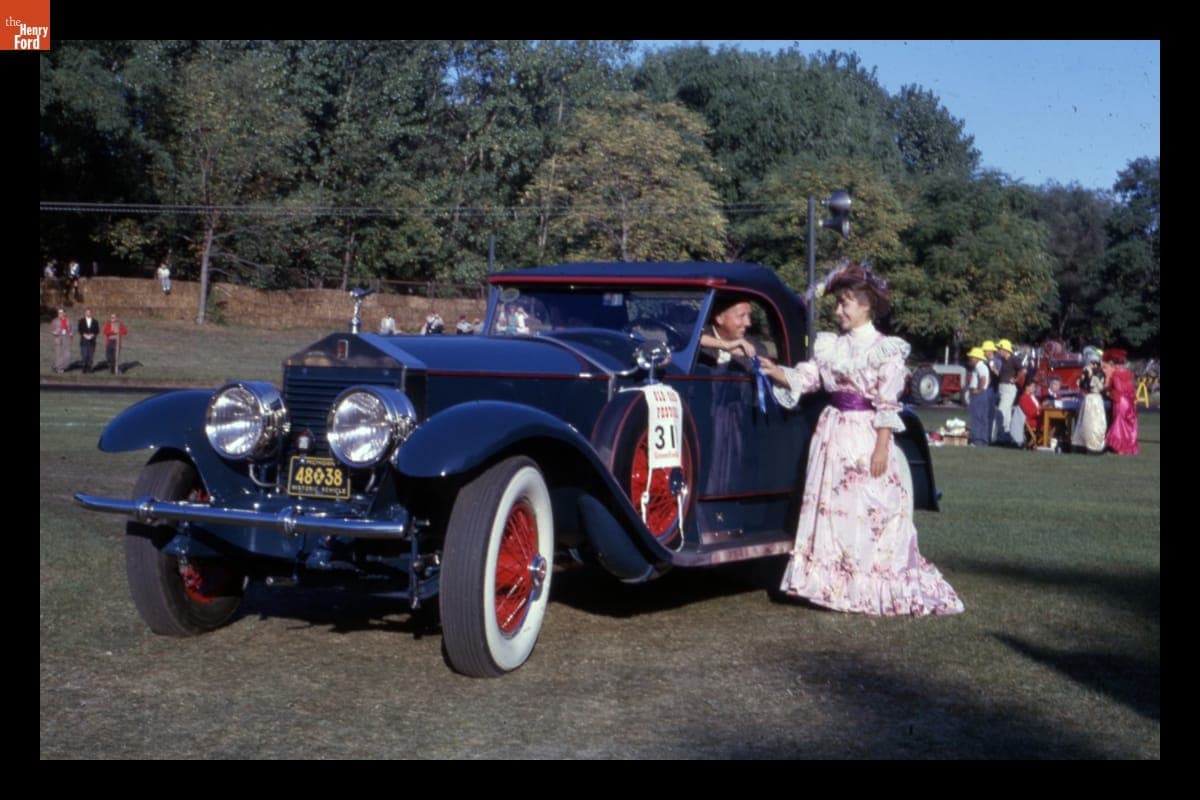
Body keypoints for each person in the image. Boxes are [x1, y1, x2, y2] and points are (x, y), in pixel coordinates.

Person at [760, 263, 963, 616]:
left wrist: (882, 447)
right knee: (834, 508)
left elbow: (887, 402)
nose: (839, 310)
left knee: (869, 505)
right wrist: (774, 371)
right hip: (832, 434)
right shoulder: (831, 346)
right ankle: (832, 585)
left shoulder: (886, 349)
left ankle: (867, 582)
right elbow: (810, 378)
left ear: (866, 305)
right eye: (837, 303)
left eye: (845, 303)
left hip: (864, 433)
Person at [1102, 348, 1139, 455]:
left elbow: (1115, 389)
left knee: (1119, 423)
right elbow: (1131, 389)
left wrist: (1108, 391)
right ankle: (1127, 446)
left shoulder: (1114, 374)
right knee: (1128, 424)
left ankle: (1119, 447)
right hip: (1129, 402)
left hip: (1120, 401)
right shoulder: (1128, 373)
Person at [1071, 347, 1107, 454]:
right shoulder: (1086, 372)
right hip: (1088, 399)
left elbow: (1097, 387)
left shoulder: (1099, 374)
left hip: (1095, 400)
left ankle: (1094, 446)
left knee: (1094, 424)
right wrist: (1083, 378)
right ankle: (1080, 445)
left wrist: (1091, 375)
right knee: (1085, 423)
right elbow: (1083, 386)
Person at [994, 338, 1019, 444]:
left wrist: (1016, 379)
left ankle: (1000, 436)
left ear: (1005, 349)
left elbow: (1023, 370)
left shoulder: (1014, 359)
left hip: (1009, 388)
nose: (998, 350)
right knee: (1007, 414)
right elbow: (1001, 375)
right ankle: (1006, 437)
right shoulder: (1003, 361)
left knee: (1001, 412)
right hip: (1002, 388)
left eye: (1000, 348)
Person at [965, 346, 991, 446]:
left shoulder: (980, 367)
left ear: (976, 358)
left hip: (979, 394)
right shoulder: (981, 367)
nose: (970, 359)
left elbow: (983, 379)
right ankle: (983, 440)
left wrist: (979, 389)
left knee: (977, 417)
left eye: (972, 357)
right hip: (982, 393)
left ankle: (977, 440)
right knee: (982, 417)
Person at [1017, 374, 1044, 445]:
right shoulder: (1024, 398)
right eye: (1032, 387)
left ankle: (1045, 441)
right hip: (1031, 421)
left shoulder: (1032, 397)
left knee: (1057, 422)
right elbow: (1029, 413)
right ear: (1027, 387)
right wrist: (1040, 409)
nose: (1034, 388)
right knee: (1053, 422)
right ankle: (1043, 442)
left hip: (1038, 418)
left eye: (1034, 387)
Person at [50, 307, 73, 373]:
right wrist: (55, 332)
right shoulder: (55, 321)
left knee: (67, 354)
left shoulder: (69, 321)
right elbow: (52, 330)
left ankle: (57, 366)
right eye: (59, 313)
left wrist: (71, 333)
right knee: (59, 353)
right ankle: (59, 368)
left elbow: (73, 329)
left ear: (65, 313)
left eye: (62, 313)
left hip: (67, 337)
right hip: (58, 337)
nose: (60, 314)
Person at [77, 308, 100, 373]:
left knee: (90, 355)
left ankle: (89, 368)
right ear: (85, 313)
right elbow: (80, 330)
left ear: (91, 313)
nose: (88, 313)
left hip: (92, 341)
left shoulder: (95, 321)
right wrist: (85, 335)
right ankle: (84, 368)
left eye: (89, 312)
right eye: (87, 312)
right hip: (84, 341)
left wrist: (92, 335)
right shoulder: (81, 321)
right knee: (84, 355)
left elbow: (97, 330)